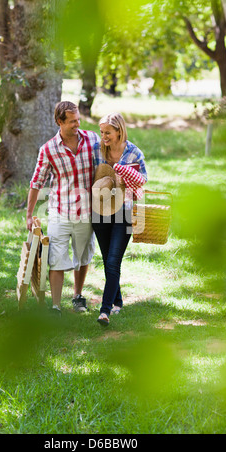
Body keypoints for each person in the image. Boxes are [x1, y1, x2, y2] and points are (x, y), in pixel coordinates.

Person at [27, 101, 101, 314]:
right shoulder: (49, 149)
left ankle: (78, 297)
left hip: (86, 212)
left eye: (78, 120)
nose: (77, 124)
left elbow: (108, 162)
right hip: (60, 211)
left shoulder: (93, 139)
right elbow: (36, 183)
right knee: (56, 259)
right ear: (59, 122)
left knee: (83, 257)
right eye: (72, 121)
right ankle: (56, 306)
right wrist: (29, 214)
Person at [92, 112, 147, 326]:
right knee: (108, 261)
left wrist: (124, 174)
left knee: (114, 260)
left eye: (107, 132)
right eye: (101, 132)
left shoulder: (134, 153)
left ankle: (104, 311)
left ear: (118, 131)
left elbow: (143, 180)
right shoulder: (98, 150)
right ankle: (118, 301)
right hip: (100, 210)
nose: (103, 136)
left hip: (124, 211)